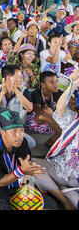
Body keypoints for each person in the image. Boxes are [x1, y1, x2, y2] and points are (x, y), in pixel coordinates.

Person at [0, 107, 56, 210]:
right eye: (14, 131)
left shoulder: (22, 143)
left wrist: (31, 170)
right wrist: (22, 171)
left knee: (51, 204)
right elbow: (0, 182)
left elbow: (25, 166)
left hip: (18, 186)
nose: (19, 135)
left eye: (22, 130)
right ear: (3, 132)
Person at [31, 69, 79, 210]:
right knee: (32, 165)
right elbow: (60, 108)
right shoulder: (73, 119)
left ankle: (61, 191)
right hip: (60, 169)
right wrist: (74, 84)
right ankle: (64, 200)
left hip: (76, 180)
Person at [28, 71, 62, 147]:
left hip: (51, 123)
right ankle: (61, 133)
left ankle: (57, 137)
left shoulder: (58, 93)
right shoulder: (36, 94)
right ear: (43, 85)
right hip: (36, 124)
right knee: (46, 110)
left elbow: (70, 102)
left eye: (56, 81)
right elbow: (38, 113)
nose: (55, 84)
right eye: (51, 82)